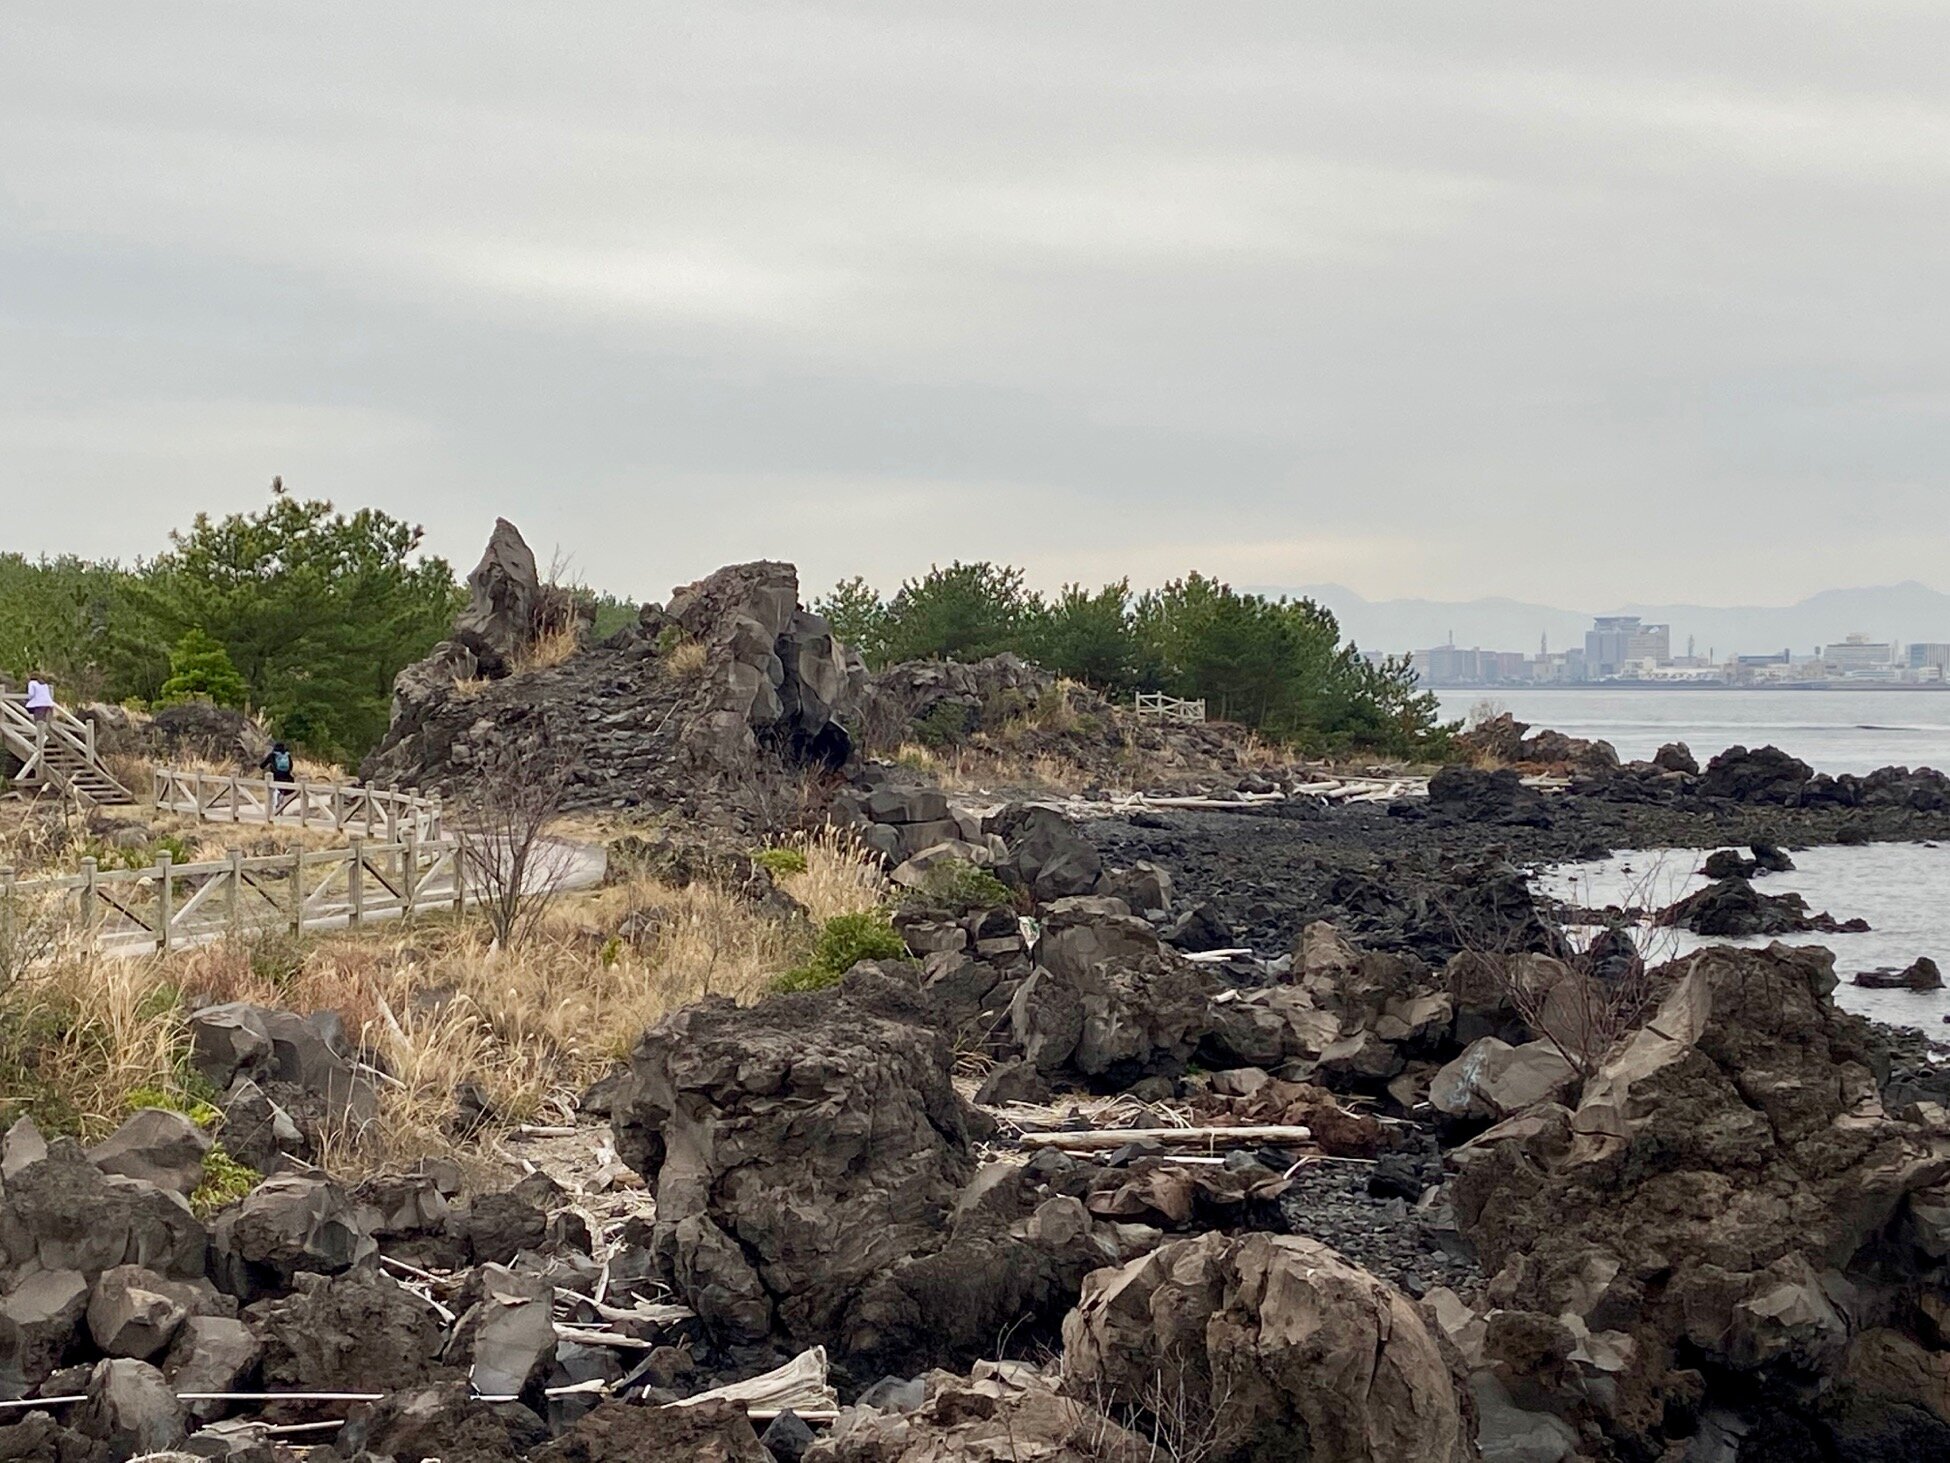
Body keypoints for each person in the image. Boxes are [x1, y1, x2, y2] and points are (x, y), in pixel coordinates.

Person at [261, 740, 296, 814]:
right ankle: (281, 807)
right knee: (283, 791)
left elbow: (262, 765)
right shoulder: (287, 754)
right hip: (287, 776)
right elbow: (291, 766)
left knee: (276, 790)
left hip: (276, 776)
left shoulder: (272, 755)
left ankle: (276, 805)